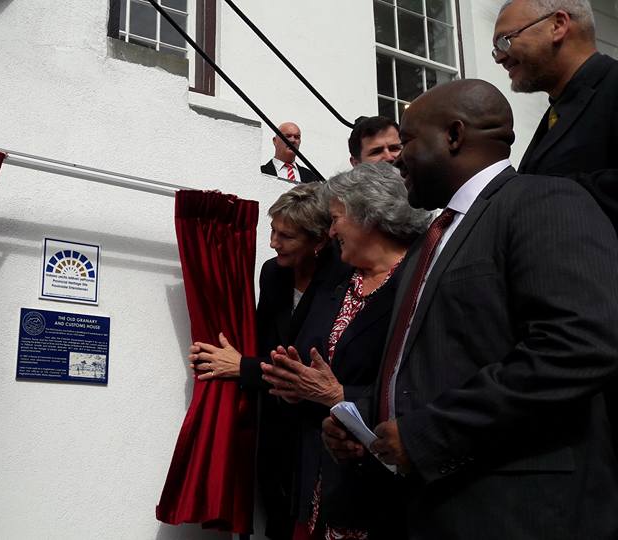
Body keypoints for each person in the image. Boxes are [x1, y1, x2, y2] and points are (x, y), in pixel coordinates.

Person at [323, 79, 618, 539]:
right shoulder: (433, 238)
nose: (396, 158)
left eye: (409, 141)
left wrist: (427, 435)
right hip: (428, 510)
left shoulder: (546, 202)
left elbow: (577, 348)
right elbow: (437, 360)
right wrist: (366, 422)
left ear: (454, 136)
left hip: (515, 512)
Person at [260, 162, 429, 540]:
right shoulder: (341, 282)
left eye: (337, 218)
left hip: (389, 490)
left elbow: (423, 385)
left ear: (370, 217)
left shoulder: (420, 281)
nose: (332, 230)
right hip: (328, 479)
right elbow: (315, 365)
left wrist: (339, 397)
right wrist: (295, 385)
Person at [493, 0, 618, 451]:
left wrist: (540, 202)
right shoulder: (554, 115)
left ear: (558, 25)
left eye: (506, 40)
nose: (501, 56)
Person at [188, 183, 333, 539]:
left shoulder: (344, 280)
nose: (272, 243)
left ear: (319, 241)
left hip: (322, 437)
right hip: (278, 433)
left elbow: (315, 367)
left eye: (286, 236)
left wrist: (242, 367)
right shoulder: (273, 273)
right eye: (272, 230)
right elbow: (267, 345)